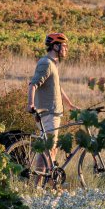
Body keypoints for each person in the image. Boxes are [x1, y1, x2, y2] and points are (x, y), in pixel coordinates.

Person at [27, 32, 76, 178]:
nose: (66, 49)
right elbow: (33, 84)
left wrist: (70, 105)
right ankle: (40, 185)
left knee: (49, 150)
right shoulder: (46, 63)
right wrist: (30, 104)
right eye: (64, 46)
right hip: (49, 113)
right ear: (55, 46)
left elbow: (57, 88)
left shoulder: (52, 64)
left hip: (53, 113)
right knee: (48, 150)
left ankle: (43, 184)